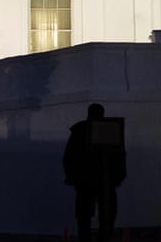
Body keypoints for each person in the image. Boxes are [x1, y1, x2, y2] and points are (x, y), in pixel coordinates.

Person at [63, 103, 127, 241]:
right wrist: (118, 176)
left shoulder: (80, 129)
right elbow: (120, 155)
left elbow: (69, 156)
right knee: (106, 215)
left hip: (85, 180)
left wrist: (72, 176)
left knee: (84, 216)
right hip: (105, 180)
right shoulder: (111, 129)